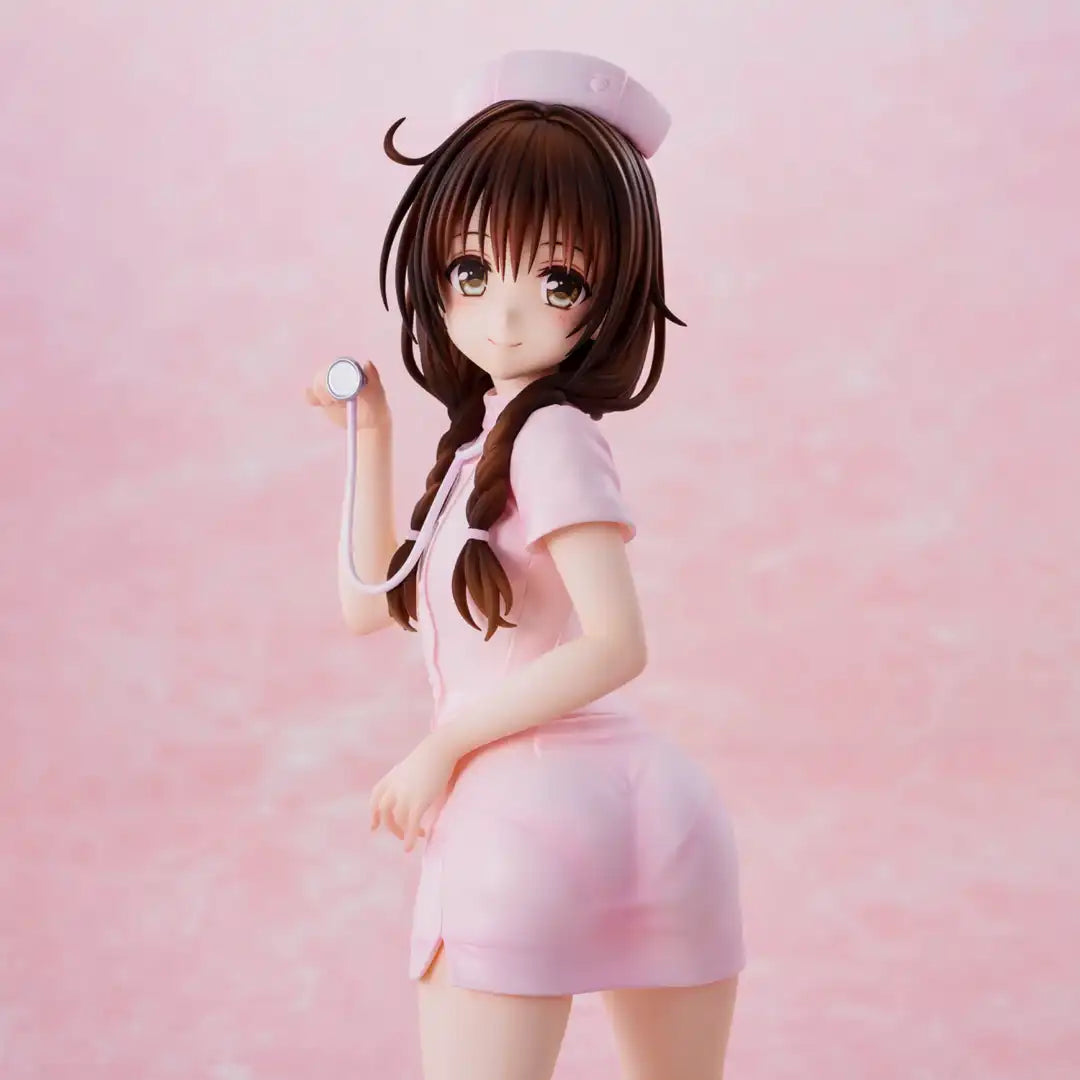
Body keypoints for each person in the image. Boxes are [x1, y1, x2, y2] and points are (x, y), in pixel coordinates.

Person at [305, 49, 746, 1080]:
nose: (504, 316)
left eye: (557, 280)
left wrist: (445, 746)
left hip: (520, 813)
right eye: (471, 272)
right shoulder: (483, 446)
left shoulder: (547, 438)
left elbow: (618, 644)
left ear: (610, 291)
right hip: (645, 812)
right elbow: (371, 604)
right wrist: (371, 433)